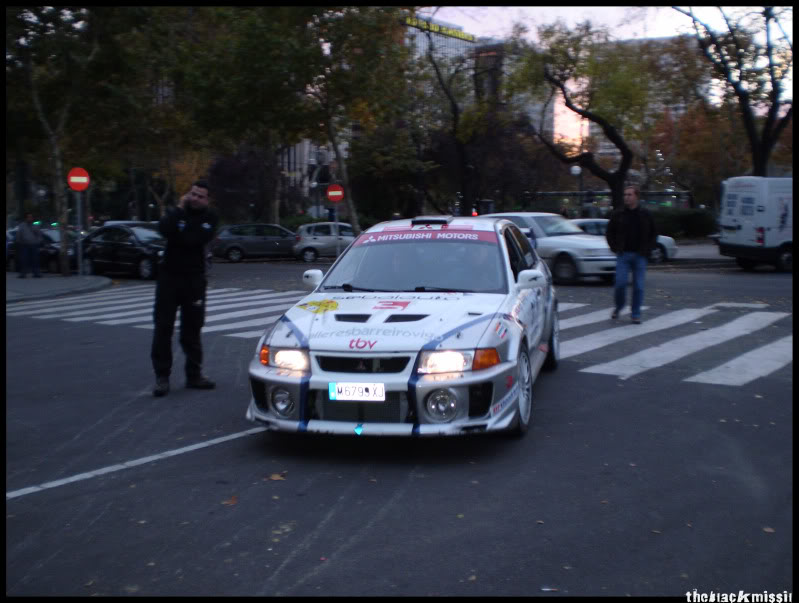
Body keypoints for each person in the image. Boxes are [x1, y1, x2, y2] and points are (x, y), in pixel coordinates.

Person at [151, 179, 219, 397]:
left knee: (192, 328)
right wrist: (179, 211)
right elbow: (164, 229)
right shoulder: (178, 212)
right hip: (169, 277)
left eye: (200, 196)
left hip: (194, 279)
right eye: (193, 194)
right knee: (163, 327)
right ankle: (162, 377)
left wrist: (180, 231)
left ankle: (194, 375)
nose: (195, 198)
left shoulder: (211, 218)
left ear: (208, 200)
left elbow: (193, 239)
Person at [605, 185, 657, 324]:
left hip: (640, 255)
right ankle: (619, 306)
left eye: (629, 195)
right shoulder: (618, 214)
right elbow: (610, 232)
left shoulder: (645, 214)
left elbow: (653, 233)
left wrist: (648, 249)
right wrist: (614, 247)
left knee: (638, 286)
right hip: (623, 254)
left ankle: (635, 313)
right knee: (620, 284)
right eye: (625, 195)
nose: (626, 197)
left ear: (636, 197)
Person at [16, 213, 42, 278]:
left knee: (35, 260)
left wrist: (37, 242)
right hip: (24, 245)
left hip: (34, 245)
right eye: (28, 217)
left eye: (31, 217)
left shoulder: (35, 226)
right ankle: (23, 273)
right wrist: (19, 242)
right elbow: (19, 235)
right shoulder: (22, 226)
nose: (30, 218)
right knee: (24, 260)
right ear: (26, 218)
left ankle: (36, 273)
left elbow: (39, 235)